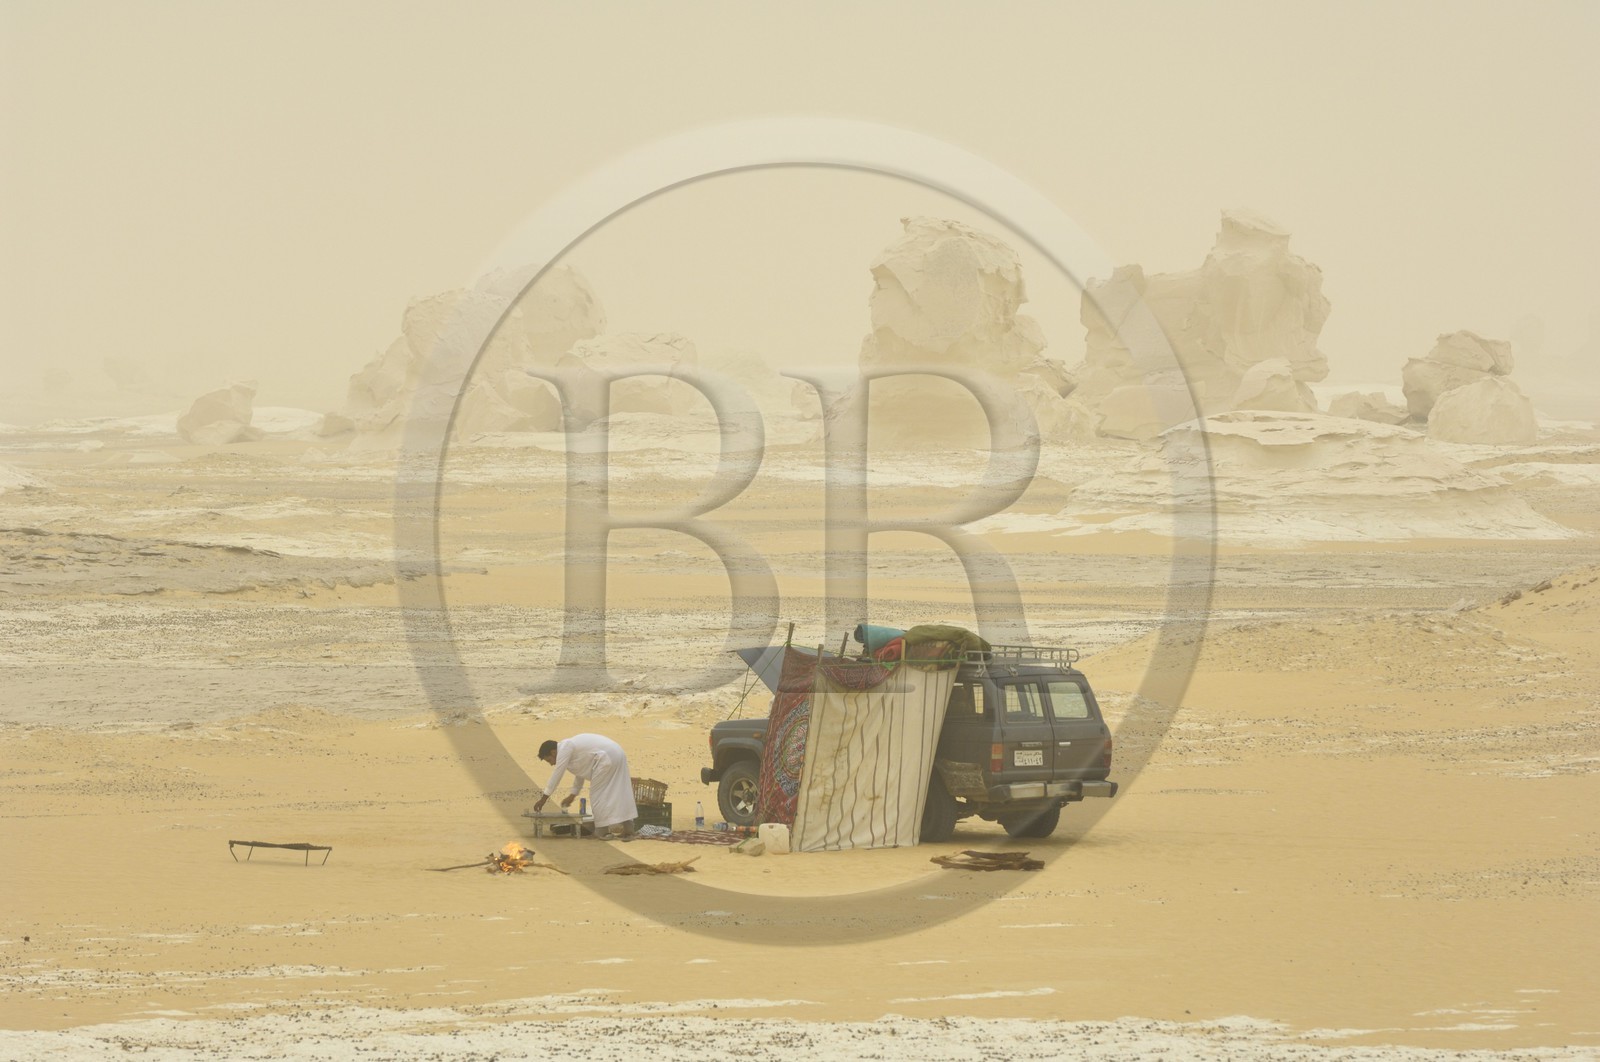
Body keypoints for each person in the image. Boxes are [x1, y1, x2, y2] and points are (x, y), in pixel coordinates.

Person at [531, 733, 639, 837]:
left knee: (597, 794)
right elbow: (580, 773)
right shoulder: (570, 751)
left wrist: (544, 798)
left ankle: (602, 831)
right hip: (616, 753)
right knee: (619, 791)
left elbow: (557, 774)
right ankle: (629, 830)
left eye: (549, 760)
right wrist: (573, 795)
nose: (551, 764)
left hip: (606, 756)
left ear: (553, 752)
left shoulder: (565, 747)